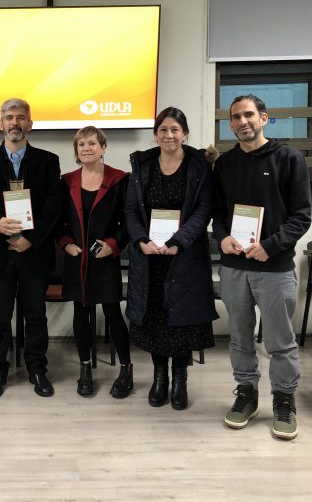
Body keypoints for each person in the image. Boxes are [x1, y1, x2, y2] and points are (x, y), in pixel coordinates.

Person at [213, 94, 311, 440]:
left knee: (279, 341)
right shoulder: (224, 165)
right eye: (236, 117)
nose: (243, 121)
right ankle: (247, 396)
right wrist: (222, 237)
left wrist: (269, 246)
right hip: (234, 267)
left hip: (275, 266)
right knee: (239, 336)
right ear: (230, 124)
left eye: (249, 115)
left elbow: (302, 216)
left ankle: (284, 400)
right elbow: (219, 214)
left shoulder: (289, 159)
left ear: (264, 118)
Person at [125, 107, 217, 410]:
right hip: (150, 256)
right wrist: (141, 240)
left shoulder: (198, 165)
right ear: (155, 134)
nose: (169, 135)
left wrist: (179, 241)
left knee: (181, 321)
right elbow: (131, 210)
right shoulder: (142, 164)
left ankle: (180, 379)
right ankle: (159, 377)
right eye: (163, 129)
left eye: (175, 129)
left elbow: (204, 209)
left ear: (185, 133)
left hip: (184, 256)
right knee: (154, 319)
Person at [0, 98, 62, 399]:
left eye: (20, 117)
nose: (15, 123)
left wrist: (31, 238)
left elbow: (53, 206)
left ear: (29, 124)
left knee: (35, 315)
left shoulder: (48, 161)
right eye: (9, 117)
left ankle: (37, 369)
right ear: (0, 124)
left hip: (34, 252)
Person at [55, 126, 132, 398]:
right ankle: (85, 370)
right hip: (77, 261)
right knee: (81, 315)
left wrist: (113, 246)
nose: (86, 148)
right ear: (76, 151)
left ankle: (126, 369)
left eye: (91, 143)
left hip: (105, 260)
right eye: (81, 144)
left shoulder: (120, 180)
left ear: (103, 147)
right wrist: (67, 244)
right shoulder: (65, 181)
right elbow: (59, 224)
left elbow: (128, 223)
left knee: (113, 314)